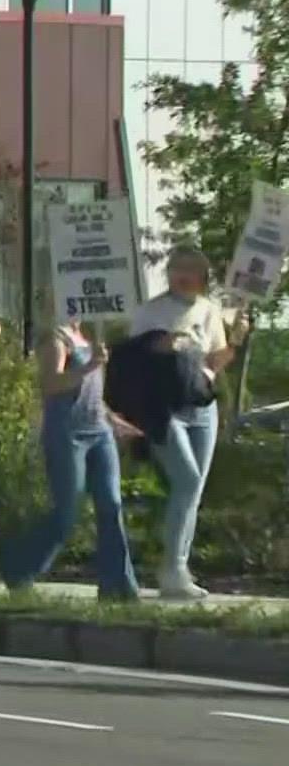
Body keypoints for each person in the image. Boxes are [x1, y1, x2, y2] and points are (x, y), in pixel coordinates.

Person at [128, 246, 244, 600]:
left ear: (203, 277)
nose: (182, 274)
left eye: (191, 269)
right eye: (176, 268)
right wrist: (157, 348)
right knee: (187, 480)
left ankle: (177, 567)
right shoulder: (150, 311)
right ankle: (172, 568)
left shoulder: (210, 311)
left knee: (192, 492)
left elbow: (215, 360)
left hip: (201, 408)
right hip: (164, 409)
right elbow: (129, 363)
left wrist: (235, 340)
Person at [1, 320, 140, 600]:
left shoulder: (88, 337)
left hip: (99, 431)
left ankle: (118, 588)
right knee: (66, 511)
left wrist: (114, 421)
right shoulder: (55, 337)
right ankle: (19, 568)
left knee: (111, 505)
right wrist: (91, 365)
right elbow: (51, 383)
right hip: (68, 432)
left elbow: (90, 392)